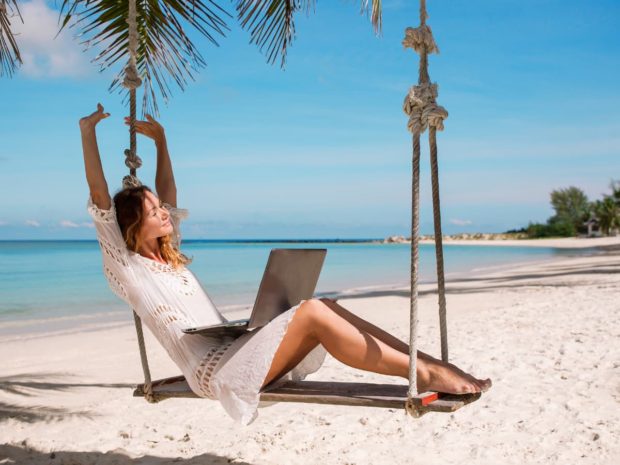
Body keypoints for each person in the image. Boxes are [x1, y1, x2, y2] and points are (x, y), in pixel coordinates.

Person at [80, 103, 491, 425]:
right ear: (133, 224)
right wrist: (88, 132)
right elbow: (100, 196)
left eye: (159, 207)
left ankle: (430, 365)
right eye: (153, 211)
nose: (165, 213)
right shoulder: (127, 267)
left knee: (323, 303)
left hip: (237, 351)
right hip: (215, 374)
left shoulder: (169, 255)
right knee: (312, 311)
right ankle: (423, 374)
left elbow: (169, 194)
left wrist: (162, 142)